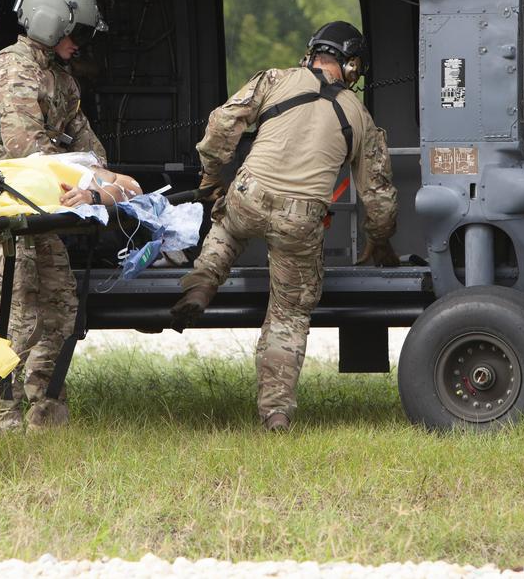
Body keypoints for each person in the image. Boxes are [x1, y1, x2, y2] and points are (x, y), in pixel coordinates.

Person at [169, 21, 399, 431]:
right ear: (351, 65)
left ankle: (203, 282)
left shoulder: (275, 79)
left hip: (250, 192)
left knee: (227, 225)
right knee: (288, 314)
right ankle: (275, 412)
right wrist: (379, 241)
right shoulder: (360, 116)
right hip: (302, 217)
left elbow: (222, 124)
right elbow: (378, 195)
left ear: (312, 52)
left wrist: (210, 176)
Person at [0, 0, 108, 432]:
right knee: (18, 317)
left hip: (37, 212)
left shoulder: (61, 80)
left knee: (63, 308)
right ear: (51, 26)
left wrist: (105, 183)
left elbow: (90, 149)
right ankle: (0, 420)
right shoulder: (14, 70)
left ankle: (46, 411)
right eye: (77, 33)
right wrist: (83, 178)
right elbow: (26, 147)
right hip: (1, 213)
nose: (80, 44)